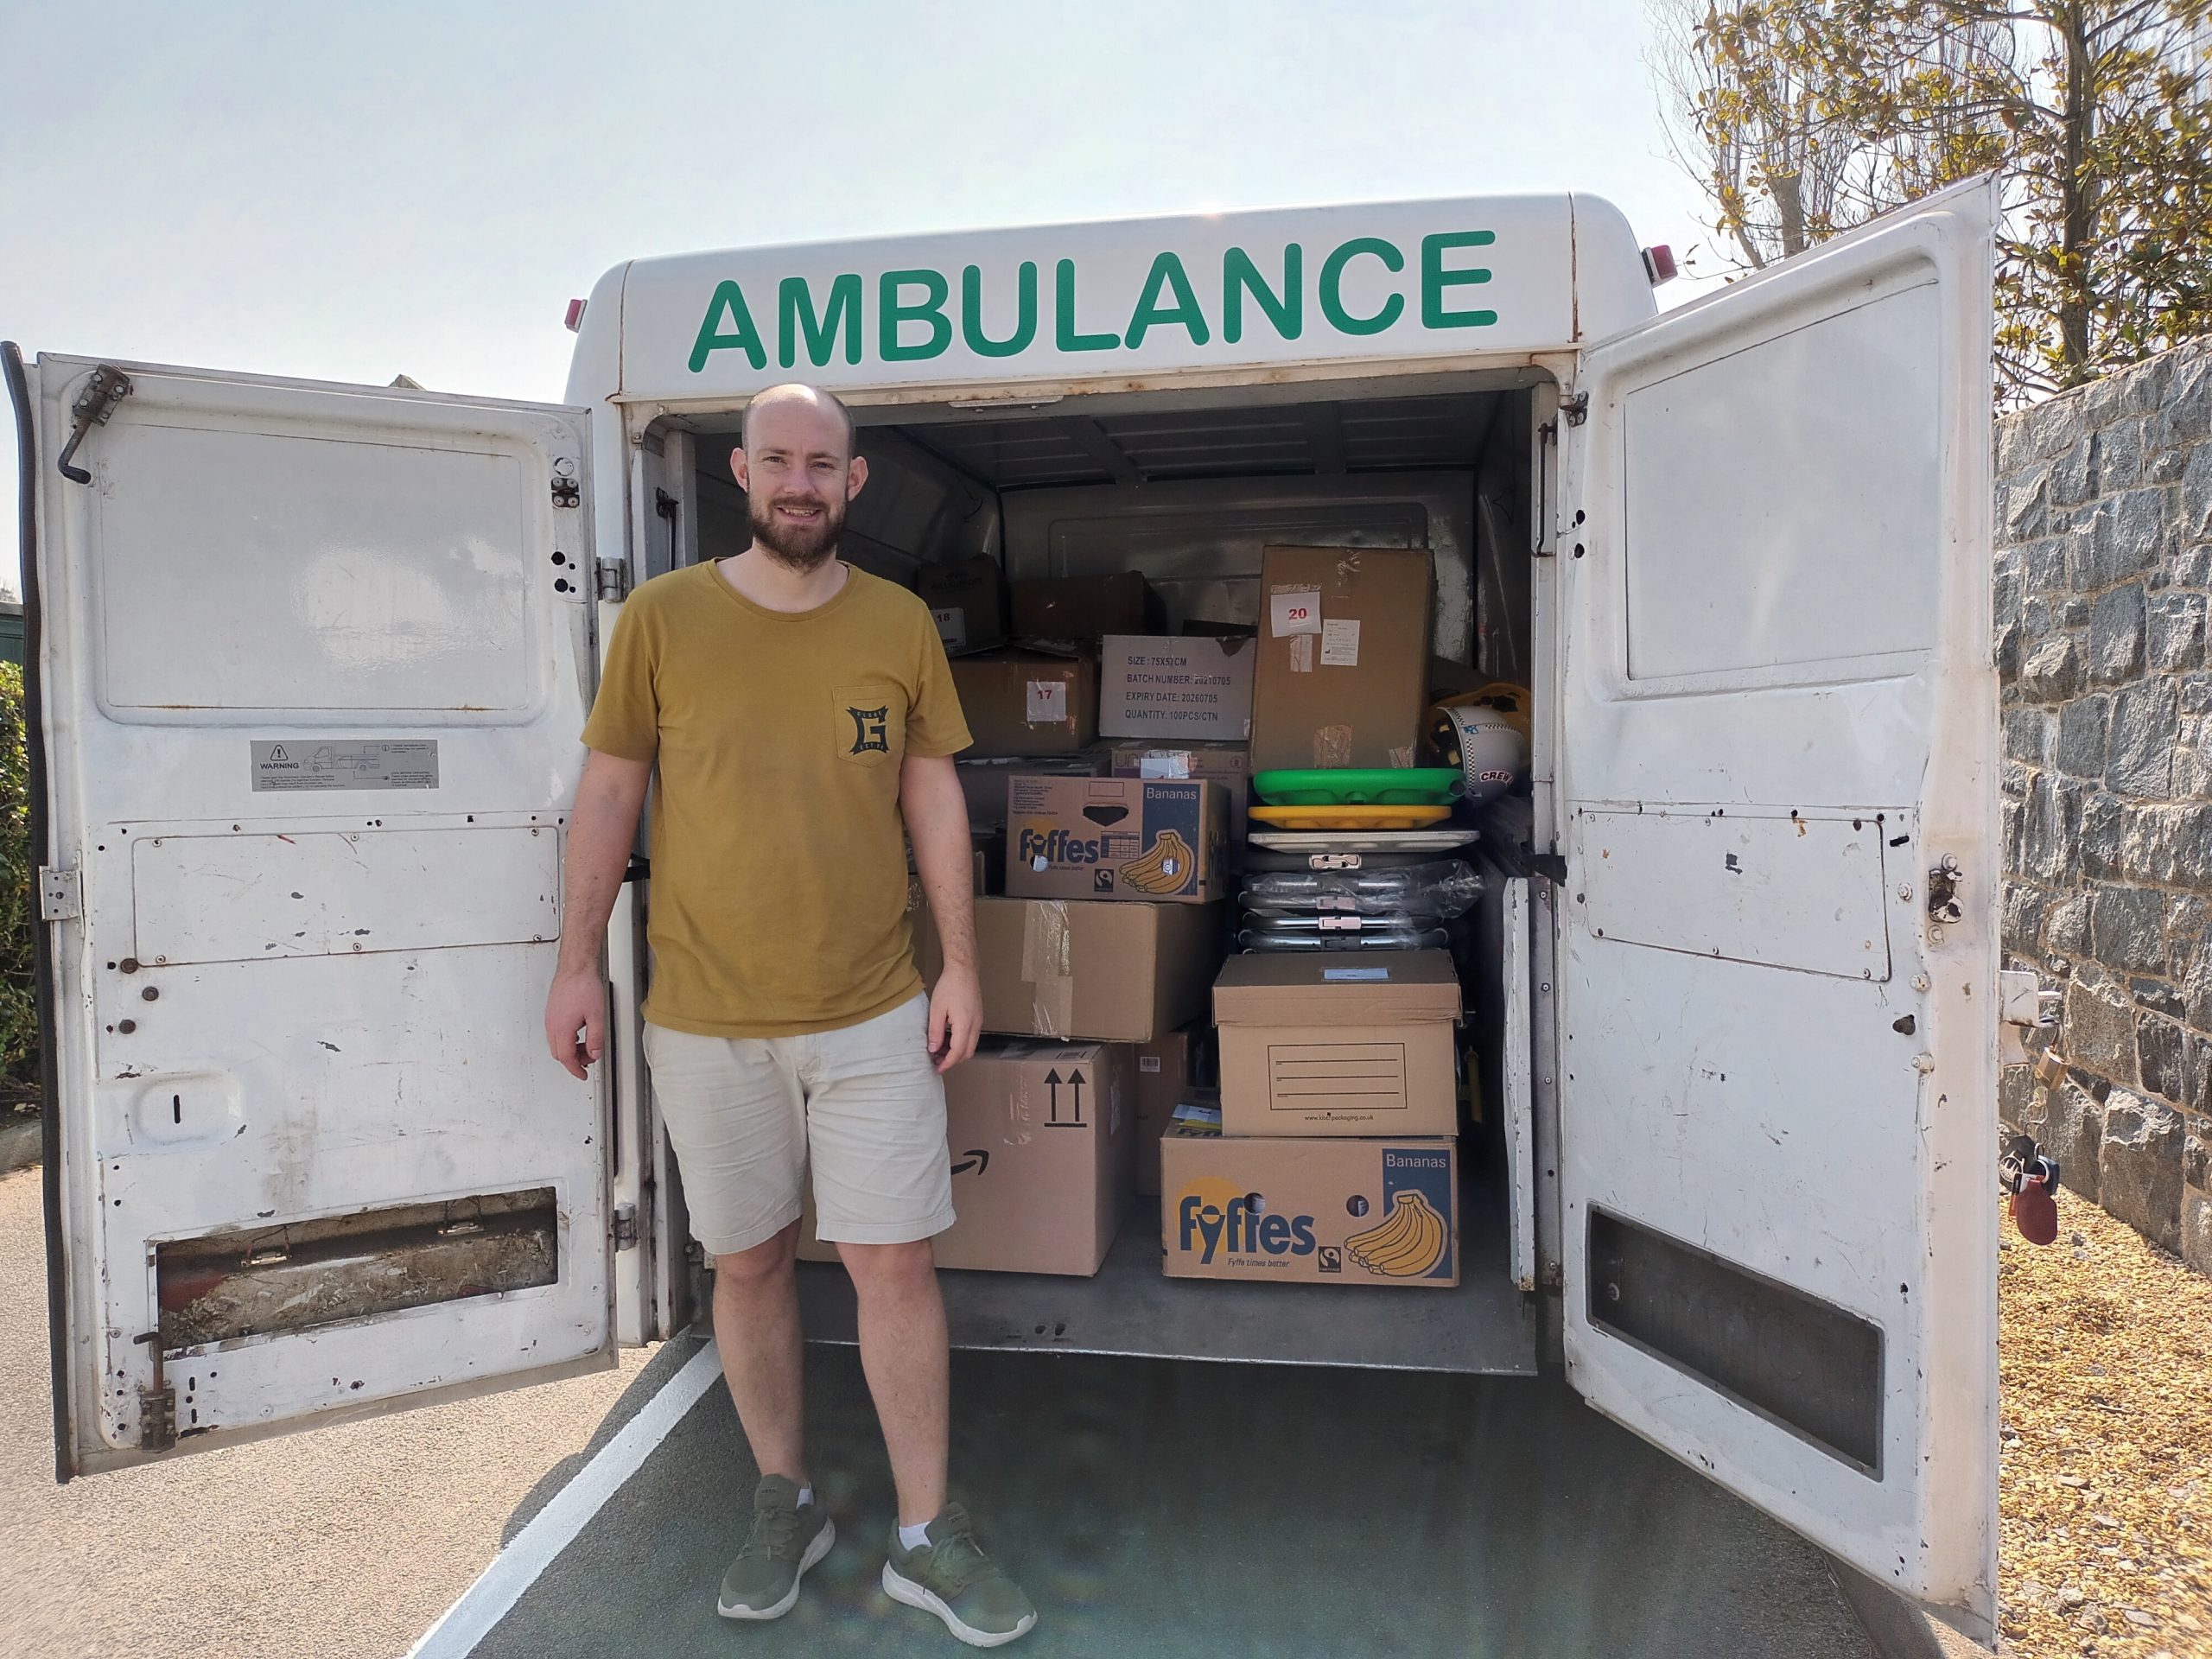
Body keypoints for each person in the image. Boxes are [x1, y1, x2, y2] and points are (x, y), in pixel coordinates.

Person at [543, 382, 1035, 1648]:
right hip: (705, 1017)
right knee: (749, 1262)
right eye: (779, 462)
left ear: (853, 483)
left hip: (874, 1007)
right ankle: (786, 1497)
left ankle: (926, 1535)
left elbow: (934, 800)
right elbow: (608, 798)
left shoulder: (897, 622)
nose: (802, 484)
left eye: (824, 464)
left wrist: (961, 965)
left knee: (892, 1264)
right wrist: (576, 962)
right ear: (744, 475)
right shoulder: (660, 620)